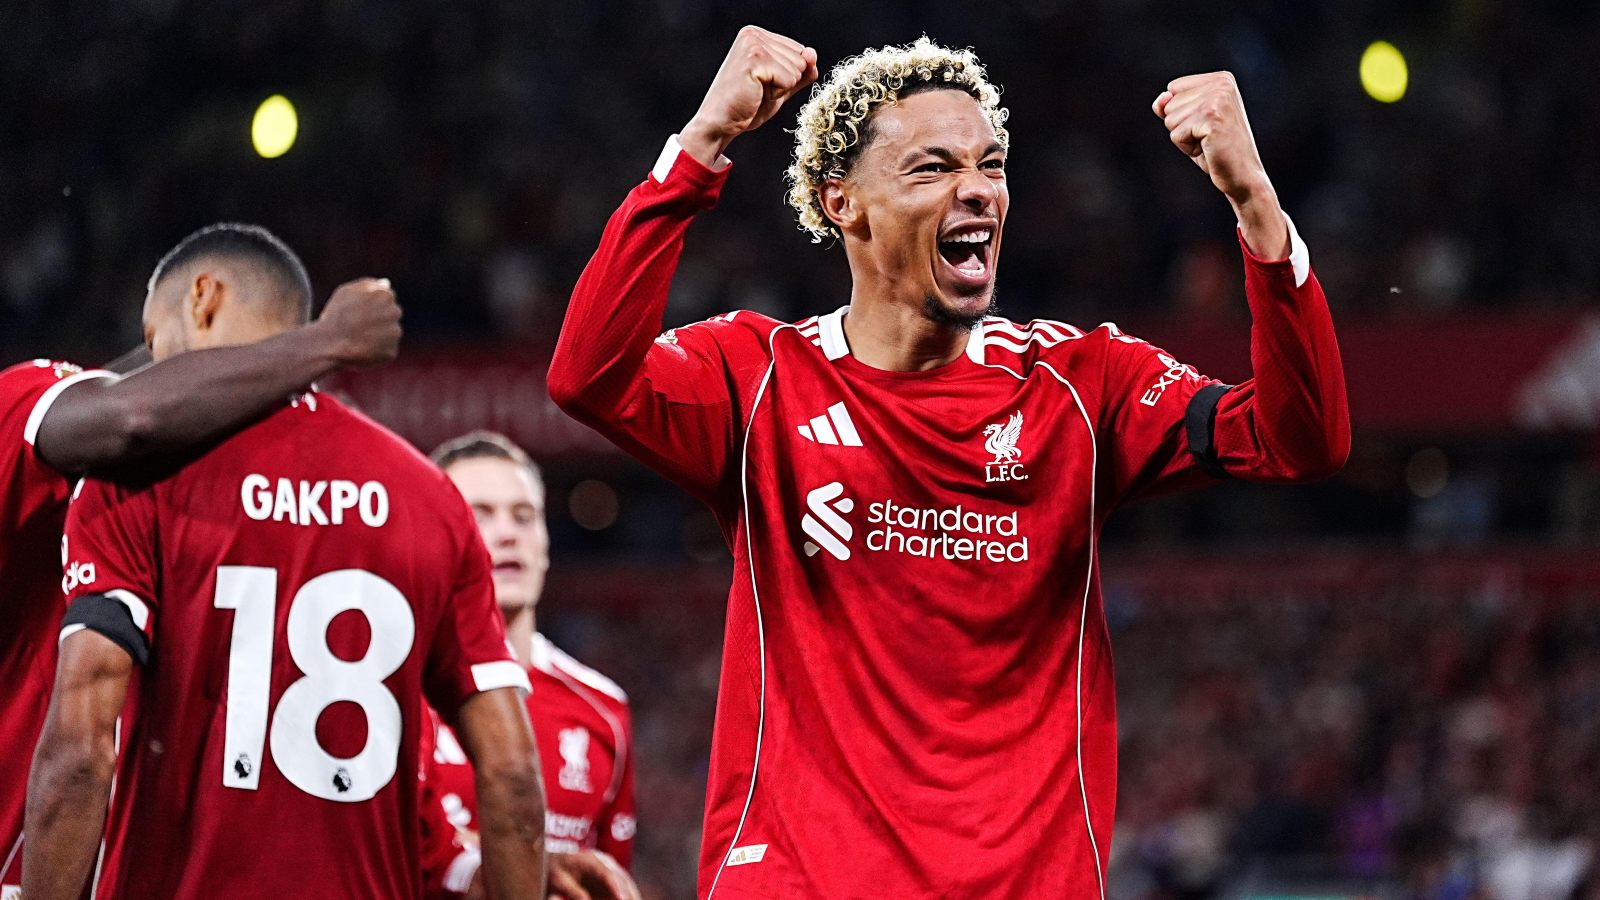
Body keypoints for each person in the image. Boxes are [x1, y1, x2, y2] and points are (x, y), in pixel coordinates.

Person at [548, 28, 1349, 898]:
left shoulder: (1080, 385)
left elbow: (1301, 440)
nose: (977, 191)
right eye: (932, 169)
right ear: (841, 202)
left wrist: (1257, 207)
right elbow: (588, 376)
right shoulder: (759, 378)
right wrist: (701, 143)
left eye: (992, 164)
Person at [24, 223, 546, 900]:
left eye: (155, 340)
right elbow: (511, 778)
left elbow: (81, 750)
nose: (152, 366)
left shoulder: (137, 482)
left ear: (203, 301)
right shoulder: (430, 497)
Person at [0, 232, 401, 892]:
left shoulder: (239, 503)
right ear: (204, 299)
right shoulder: (31, 405)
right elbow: (132, 414)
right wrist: (326, 343)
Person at [424, 432, 640, 900]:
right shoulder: (398, 698)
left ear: (544, 543)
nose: (508, 532)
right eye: (479, 514)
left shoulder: (603, 709)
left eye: (525, 516)